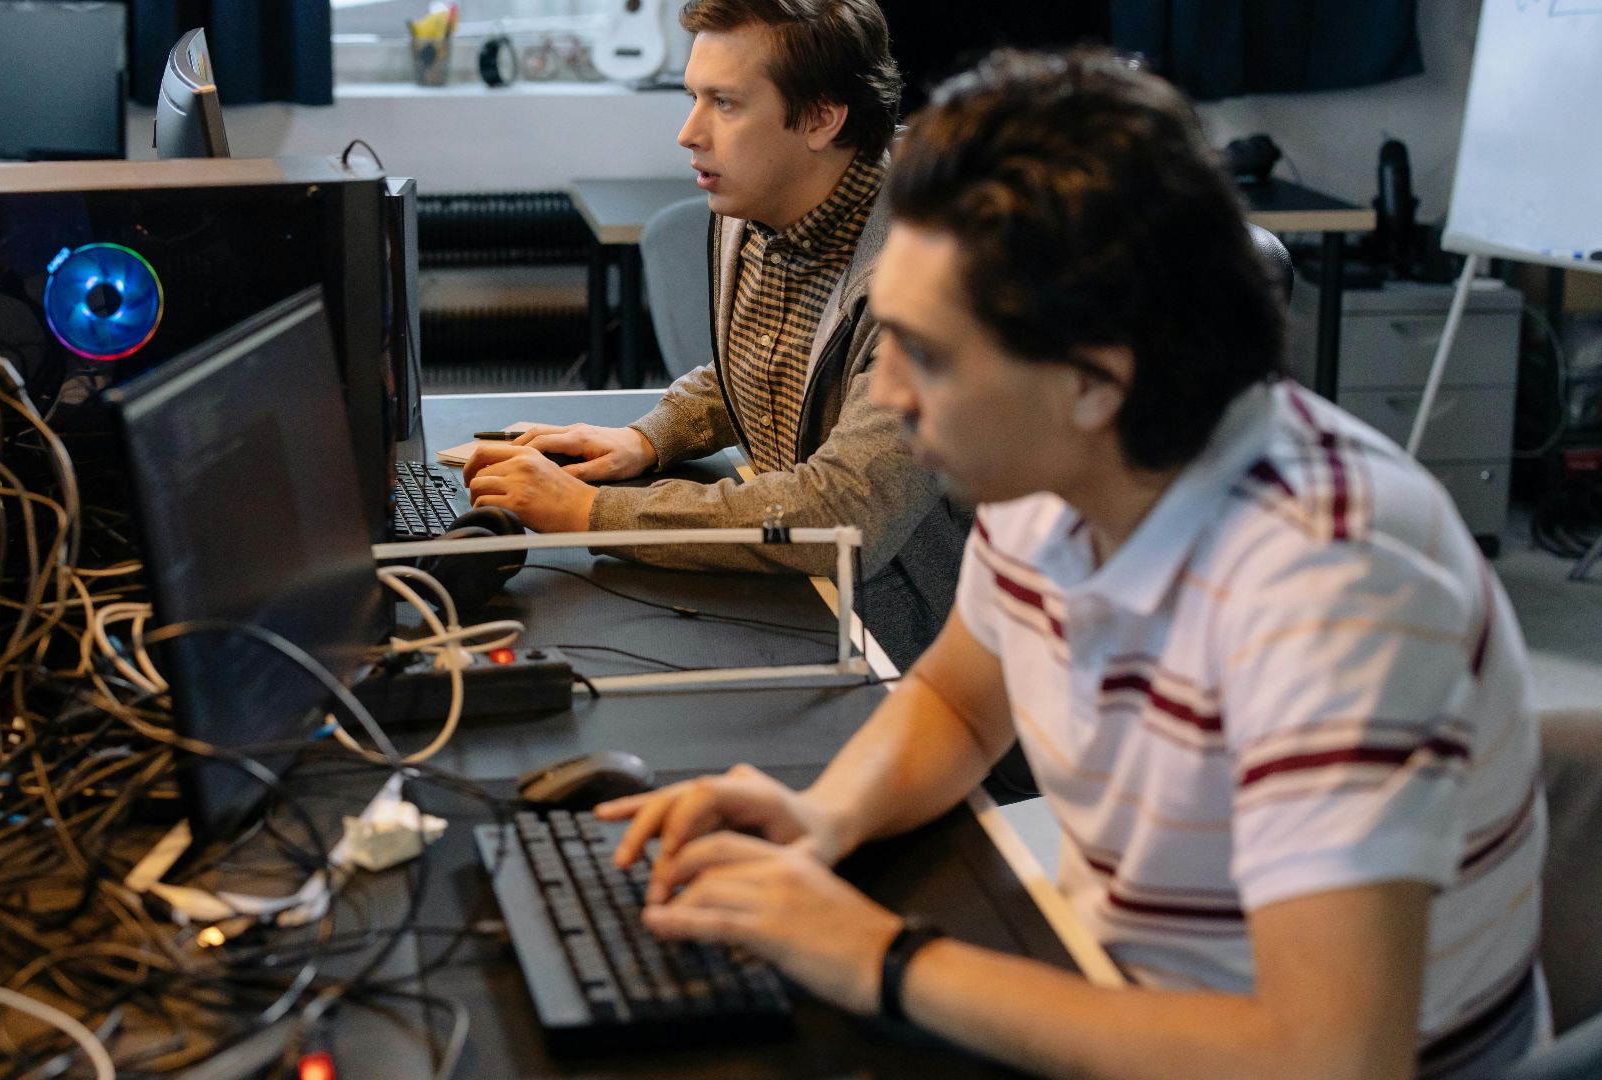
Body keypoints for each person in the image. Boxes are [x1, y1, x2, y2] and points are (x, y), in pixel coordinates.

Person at [598, 50, 1546, 1080]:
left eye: (929, 353)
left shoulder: (1332, 591)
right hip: (1132, 982)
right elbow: (961, 703)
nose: (893, 394)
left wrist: (880, 956)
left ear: (1094, 382)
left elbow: (1327, 1056)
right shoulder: (1057, 475)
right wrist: (823, 814)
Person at [462, 0, 971, 665]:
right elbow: (770, 359)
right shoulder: (752, 201)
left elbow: (845, 513)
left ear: (822, 116)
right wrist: (650, 436)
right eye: (693, 97)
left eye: (725, 104)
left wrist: (589, 513)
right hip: (807, 596)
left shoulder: (932, 283)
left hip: (911, 646)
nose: (689, 132)